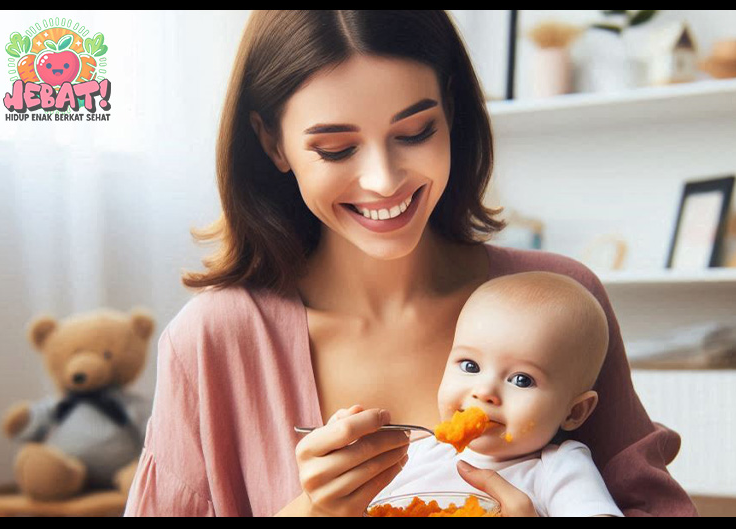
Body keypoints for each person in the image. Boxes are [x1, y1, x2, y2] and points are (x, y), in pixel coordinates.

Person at [124, 11, 697, 517]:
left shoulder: (562, 299)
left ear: (450, 110)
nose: (383, 180)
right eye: (336, 148)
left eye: (415, 131)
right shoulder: (212, 341)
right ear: (273, 143)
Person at [370, 271, 623, 517]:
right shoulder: (417, 454)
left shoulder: (558, 468)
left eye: (521, 380)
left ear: (574, 411)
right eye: (471, 366)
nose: (484, 391)